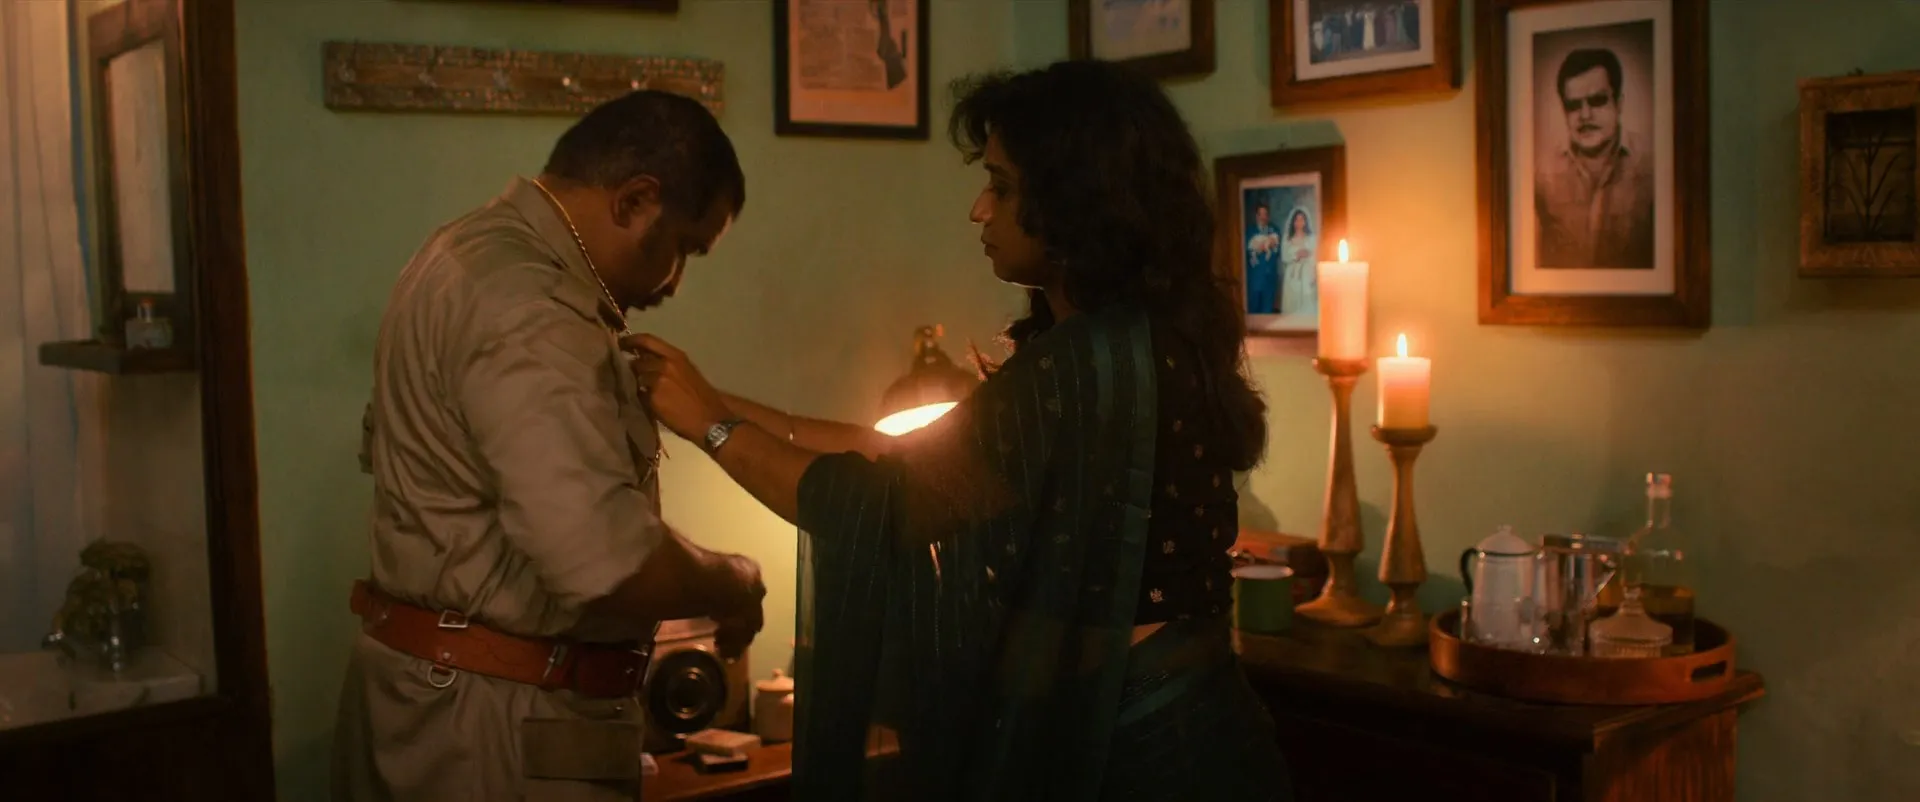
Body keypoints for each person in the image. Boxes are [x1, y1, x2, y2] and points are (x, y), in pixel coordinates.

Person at [631, 60, 1291, 801]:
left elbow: (886, 503)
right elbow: (907, 457)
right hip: (1169, 727)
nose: (980, 210)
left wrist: (712, 426)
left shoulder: (1086, 364)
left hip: (1150, 756)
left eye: (1001, 187)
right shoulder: (1129, 342)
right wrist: (709, 399)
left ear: (1075, 201)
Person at [333, 90, 767, 802]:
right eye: (684, 248)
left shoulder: (465, 252)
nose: (674, 282)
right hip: (497, 732)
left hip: (439, 707)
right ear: (635, 201)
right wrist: (733, 581)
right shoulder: (535, 309)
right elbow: (603, 560)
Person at [1535, 46, 1655, 269]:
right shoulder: (1542, 176)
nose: (1585, 115)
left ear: (1619, 103)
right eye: (1573, 105)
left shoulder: (1653, 167)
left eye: (1597, 101)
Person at [1245, 202, 1282, 314]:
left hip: (1270, 279)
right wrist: (1259, 248)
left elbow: (1278, 251)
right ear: (1256, 216)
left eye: (1265, 214)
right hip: (1255, 279)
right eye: (1260, 214)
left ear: (1268, 216)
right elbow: (1247, 252)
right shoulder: (1249, 231)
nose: (1263, 217)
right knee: (1253, 310)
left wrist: (1269, 245)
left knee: (1267, 311)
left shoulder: (1274, 230)